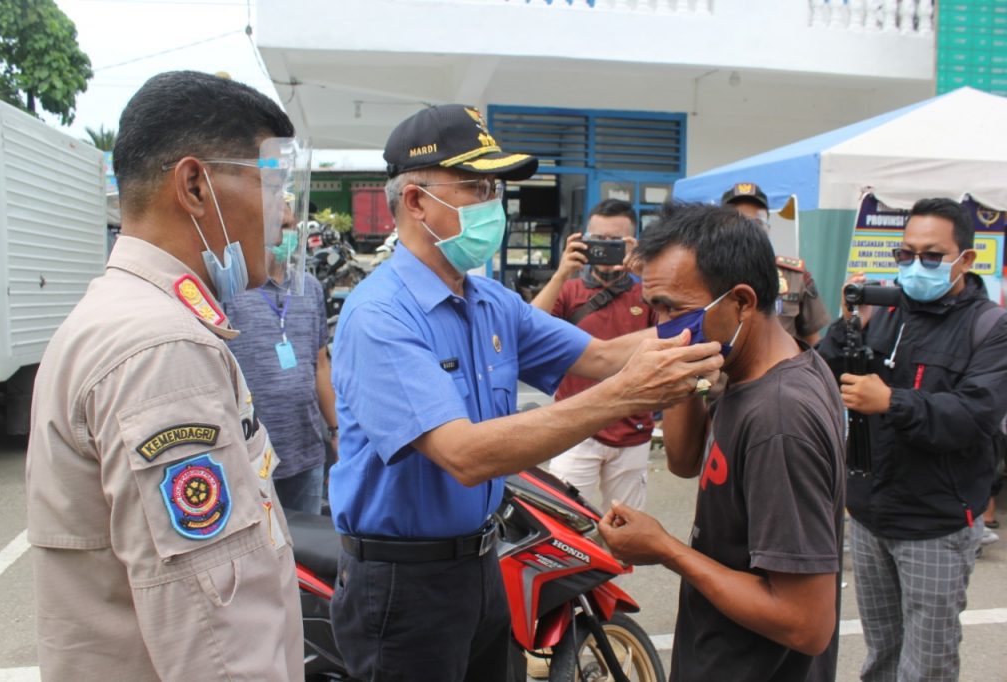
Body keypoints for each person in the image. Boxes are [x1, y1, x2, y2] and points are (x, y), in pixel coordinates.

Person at [327, 104, 724, 682]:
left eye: (496, 187)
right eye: (475, 186)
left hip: (484, 562)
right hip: (404, 584)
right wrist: (621, 397)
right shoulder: (381, 315)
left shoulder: (488, 300)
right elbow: (464, 454)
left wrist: (713, 322)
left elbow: (603, 357)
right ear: (415, 201)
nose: (495, 204)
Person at [25, 71, 303, 680]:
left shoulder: (129, 316)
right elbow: (218, 639)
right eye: (271, 183)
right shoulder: (162, 347)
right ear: (195, 184)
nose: (282, 214)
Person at [598, 203, 846, 682]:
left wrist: (666, 549)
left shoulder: (779, 418)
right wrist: (680, 367)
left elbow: (807, 624)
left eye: (676, 309)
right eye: (656, 309)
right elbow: (685, 460)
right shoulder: (741, 366)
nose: (661, 326)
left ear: (742, 302)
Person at [818, 197, 1007, 682]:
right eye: (905, 254)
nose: (915, 266)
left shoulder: (989, 326)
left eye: (931, 255)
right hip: (868, 512)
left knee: (927, 662)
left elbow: (976, 414)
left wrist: (892, 402)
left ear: (965, 259)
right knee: (880, 652)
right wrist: (846, 326)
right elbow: (824, 375)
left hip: (935, 522)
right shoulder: (882, 311)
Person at [531, 199, 657, 510]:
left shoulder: (649, 293)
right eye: (598, 240)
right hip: (575, 428)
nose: (605, 250)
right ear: (584, 239)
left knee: (627, 531)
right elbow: (525, 327)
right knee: (567, 524)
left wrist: (645, 271)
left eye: (616, 242)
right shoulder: (569, 290)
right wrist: (561, 273)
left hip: (632, 430)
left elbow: (676, 332)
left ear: (632, 243)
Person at [224, 232, 338, 514]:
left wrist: (336, 429)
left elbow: (321, 365)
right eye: (281, 223)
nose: (288, 232)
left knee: (304, 551)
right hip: (250, 456)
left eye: (291, 224)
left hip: (306, 452)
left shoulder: (309, 287)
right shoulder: (230, 291)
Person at [723, 182, 831, 345]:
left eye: (757, 224)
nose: (748, 231)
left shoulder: (794, 276)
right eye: (739, 222)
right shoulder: (706, 275)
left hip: (782, 368)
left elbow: (813, 341)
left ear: (768, 228)